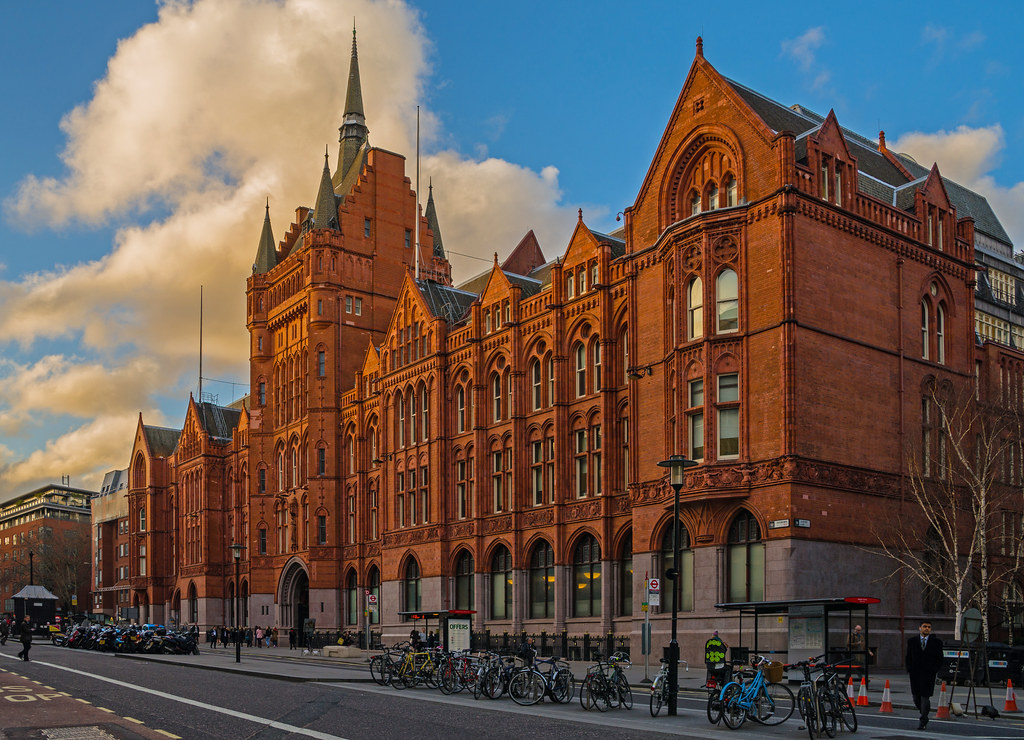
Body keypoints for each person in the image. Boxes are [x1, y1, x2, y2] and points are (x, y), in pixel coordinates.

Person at [906, 620, 943, 731]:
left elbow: (940, 659)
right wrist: (909, 669)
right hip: (915, 674)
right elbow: (908, 657)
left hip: (928, 674)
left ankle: (923, 720)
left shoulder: (936, 642)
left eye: (929, 627)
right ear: (920, 628)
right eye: (924, 626)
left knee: (925, 696)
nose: (927, 628)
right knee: (916, 697)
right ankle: (924, 712)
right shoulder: (912, 641)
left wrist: (934, 670)